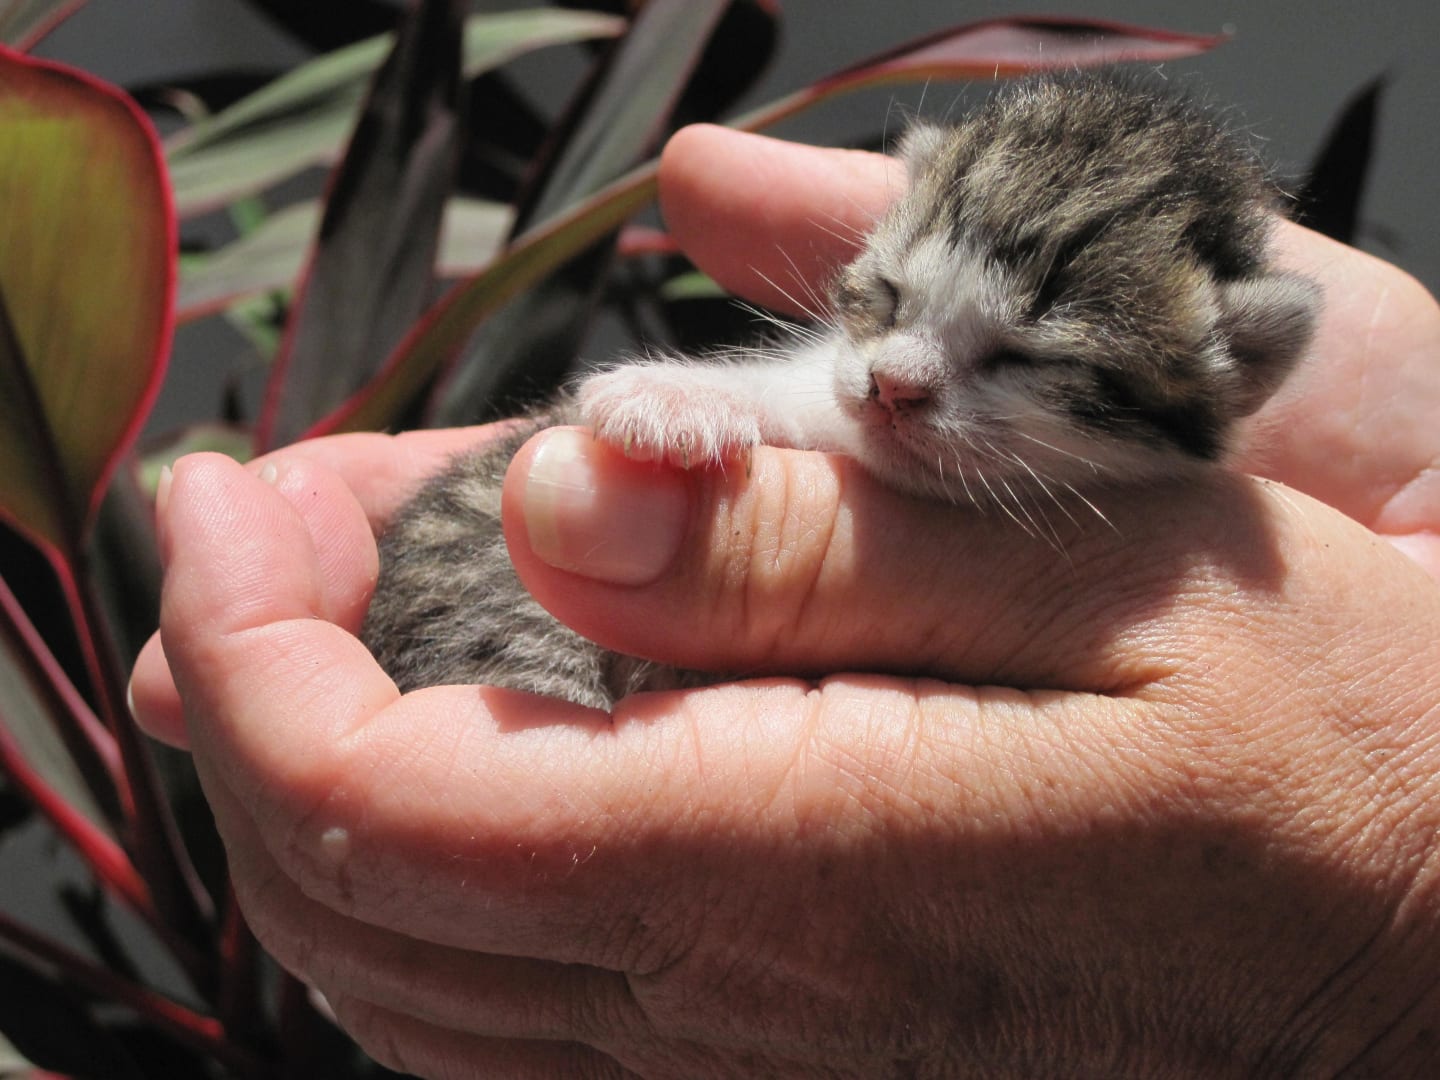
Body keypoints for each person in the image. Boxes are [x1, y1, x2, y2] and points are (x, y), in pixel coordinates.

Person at [129, 123, 1440, 1076]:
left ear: (1235, 371)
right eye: (887, 297)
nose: (895, 377)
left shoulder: (1210, 542)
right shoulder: (865, 386)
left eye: (1024, 361)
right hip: (546, 679)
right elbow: (792, 395)